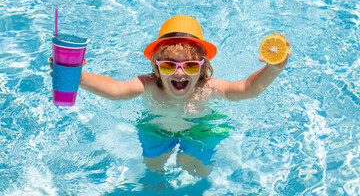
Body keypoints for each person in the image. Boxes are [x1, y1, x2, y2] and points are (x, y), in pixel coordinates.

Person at [50, 15, 291, 177]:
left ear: (202, 67)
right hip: (156, 128)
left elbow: (247, 90)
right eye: (168, 66)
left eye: (190, 66)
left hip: (200, 128)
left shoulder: (208, 88)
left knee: (198, 170)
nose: (179, 72)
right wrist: (78, 76)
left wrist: (273, 68)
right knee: (153, 168)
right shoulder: (148, 85)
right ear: (156, 67)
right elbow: (115, 90)